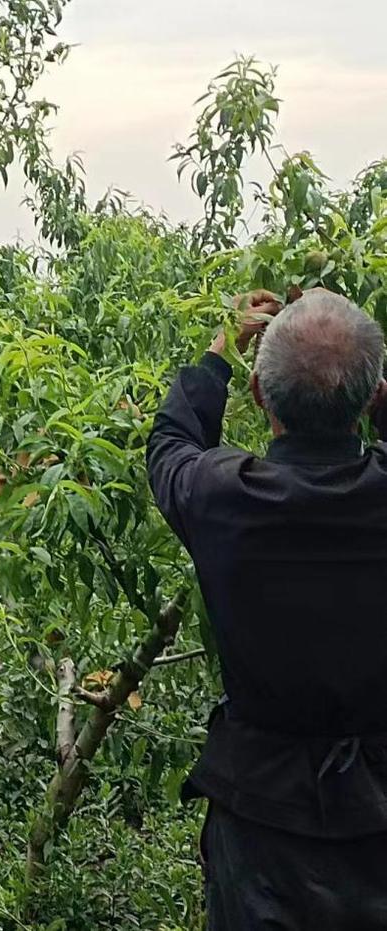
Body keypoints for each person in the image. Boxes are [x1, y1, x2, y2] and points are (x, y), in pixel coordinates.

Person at [147, 288, 387, 929]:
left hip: (262, 821)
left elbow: (171, 441)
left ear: (259, 396)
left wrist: (222, 347)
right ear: (371, 400)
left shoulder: (224, 498)